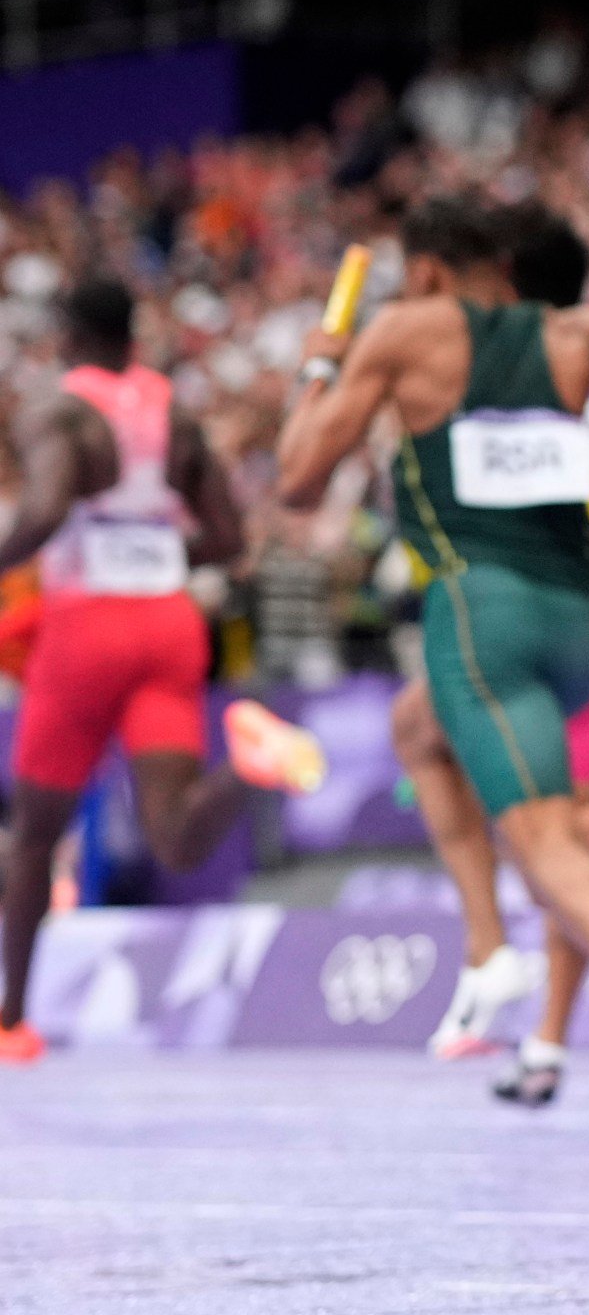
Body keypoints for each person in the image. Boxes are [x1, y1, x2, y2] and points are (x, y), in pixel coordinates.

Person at [274, 195, 589, 1105]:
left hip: (495, 606)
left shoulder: (426, 336)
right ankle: (506, 981)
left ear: (438, 273)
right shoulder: (588, 349)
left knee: (547, 835)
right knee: (423, 728)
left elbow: (294, 478)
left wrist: (323, 372)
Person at [0, 277, 325, 1065]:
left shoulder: (57, 409)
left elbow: (42, 511)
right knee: (176, 836)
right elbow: (229, 539)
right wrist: (148, 549)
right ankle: (250, 766)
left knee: (36, 834)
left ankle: (11, 1021)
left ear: (67, 336)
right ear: (133, 336)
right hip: (169, 622)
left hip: (85, 631)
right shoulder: (173, 412)